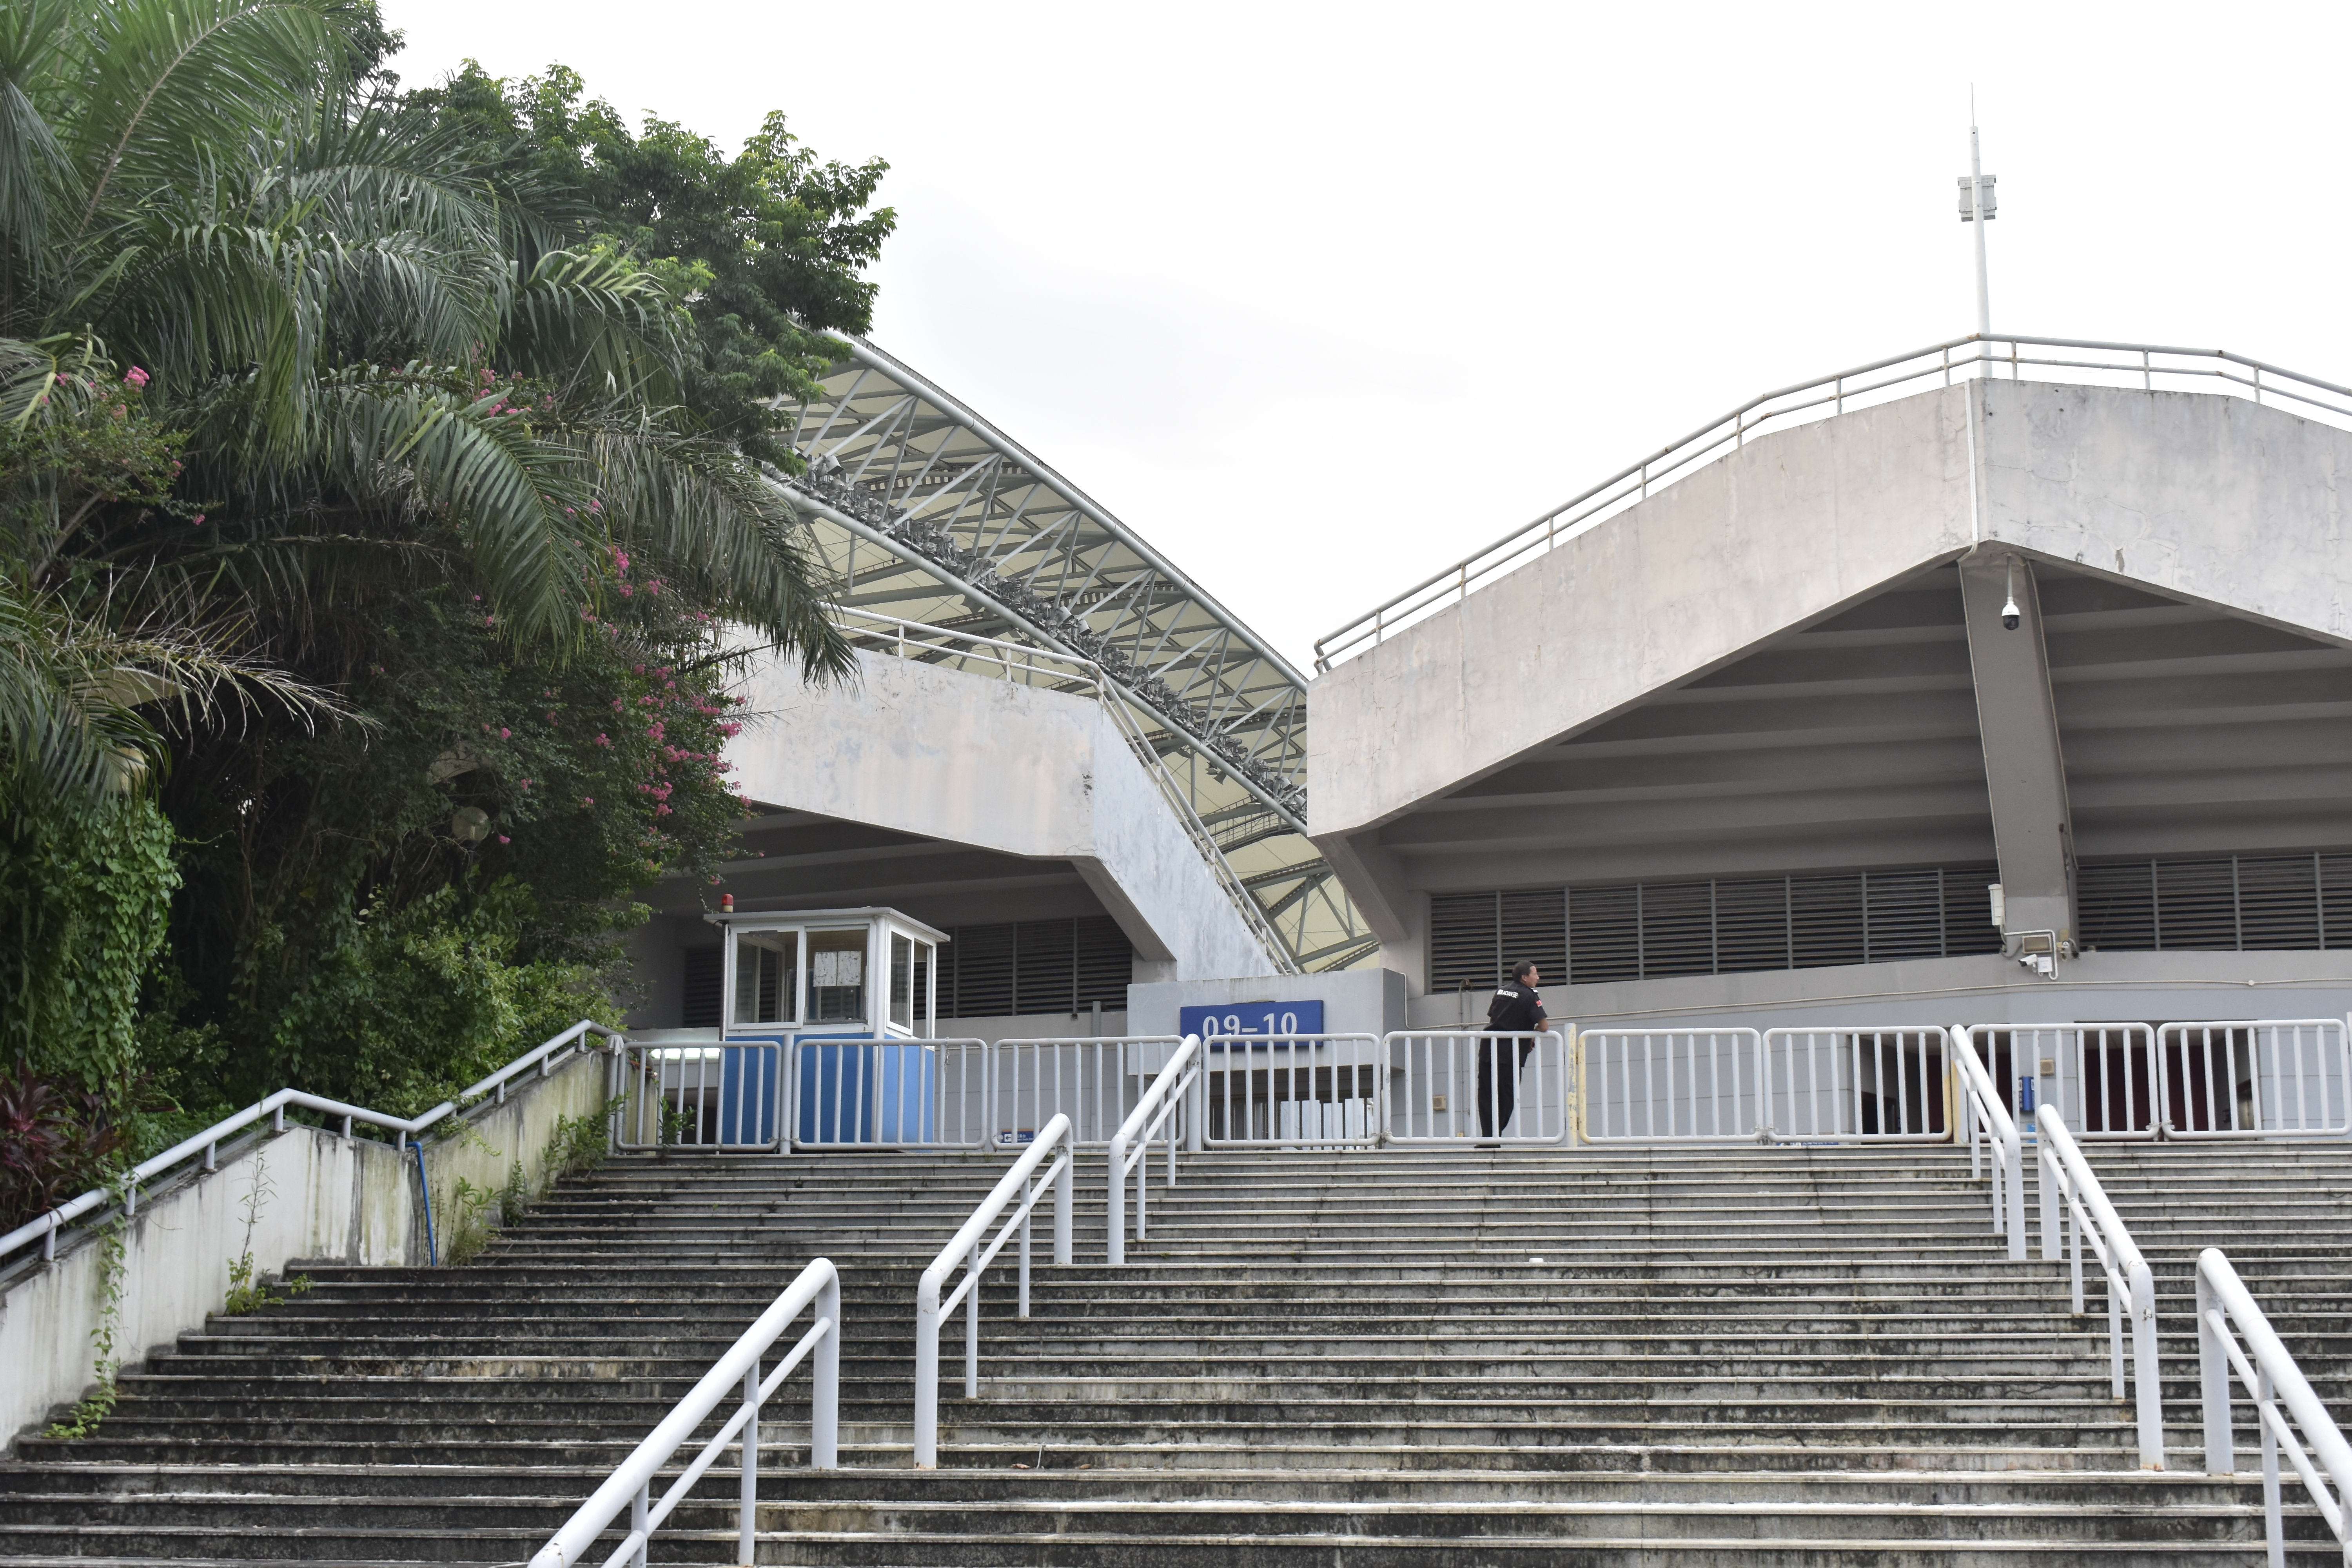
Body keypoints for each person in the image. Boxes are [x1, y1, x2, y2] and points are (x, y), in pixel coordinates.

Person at [1480, 961, 1548, 1141]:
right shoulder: (1530, 995)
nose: (1538, 977)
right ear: (1525, 977)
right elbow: (1544, 1025)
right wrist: (1532, 1034)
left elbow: (1494, 1017)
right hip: (1510, 1053)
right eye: (1535, 974)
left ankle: (1488, 1138)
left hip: (1488, 1049)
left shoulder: (1501, 991)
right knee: (1507, 1097)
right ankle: (1496, 1135)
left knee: (1487, 1095)